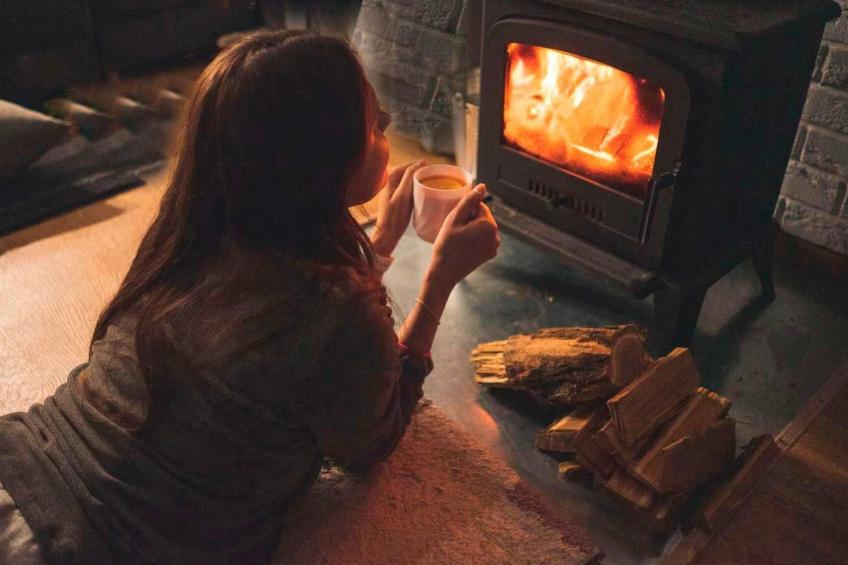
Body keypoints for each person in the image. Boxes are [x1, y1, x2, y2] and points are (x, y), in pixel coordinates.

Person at [0, 29, 499, 565]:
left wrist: (376, 248)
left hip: (21, 460)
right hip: (84, 545)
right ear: (320, 162)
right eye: (374, 124)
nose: (385, 132)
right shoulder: (337, 317)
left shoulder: (192, 230)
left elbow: (281, 330)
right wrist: (440, 280)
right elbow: (370, 442)